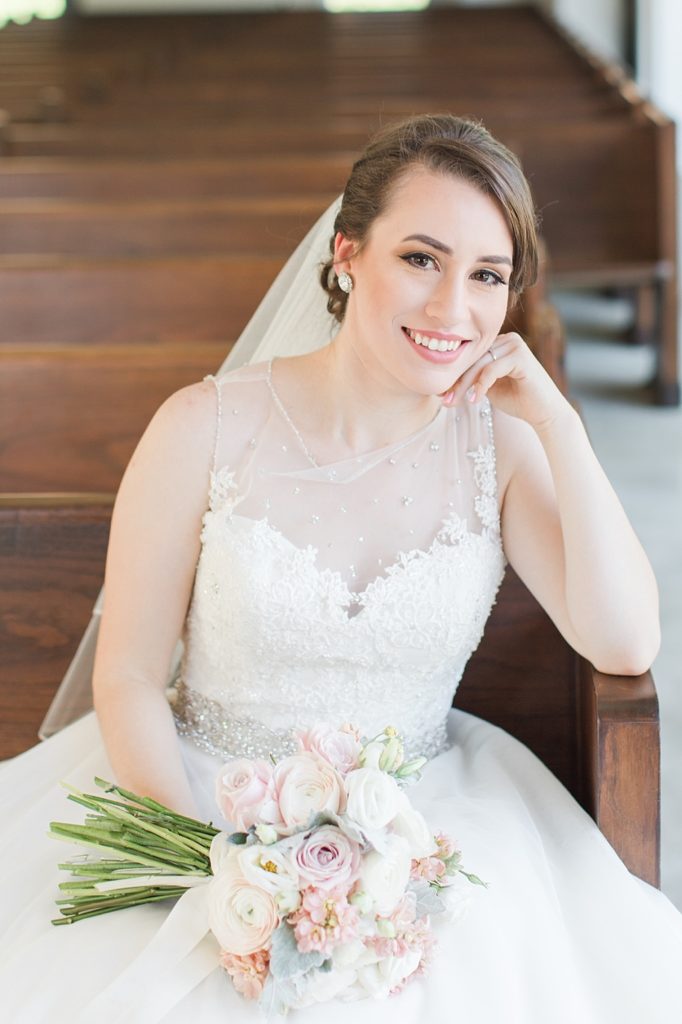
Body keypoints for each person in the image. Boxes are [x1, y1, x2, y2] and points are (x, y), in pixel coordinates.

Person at [1, 113, 681, 1022]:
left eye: (486, 277)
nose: (452, 311)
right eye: (420, 259)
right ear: (346, 253)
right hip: (191, 795)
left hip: (424, 825)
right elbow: (124, 677)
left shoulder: (503, 449)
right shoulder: (202, 427)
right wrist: (200, 863)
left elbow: (627, 637)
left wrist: (560, 425)